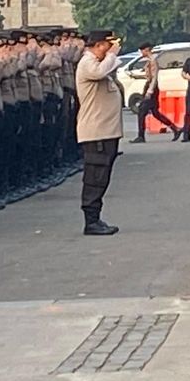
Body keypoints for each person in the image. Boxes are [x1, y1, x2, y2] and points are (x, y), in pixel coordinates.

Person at [75, 30, 124, 237]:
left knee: (102, 176)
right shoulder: (88, 63)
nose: (110, 49)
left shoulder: (100, 64)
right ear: (97, 45)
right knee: (95, 176)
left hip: (105, 131)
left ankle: (96, 217)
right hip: (96, 132)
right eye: (107, 45)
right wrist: (112, 55)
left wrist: (110, 57)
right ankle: (91, 220)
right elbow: (98, 73)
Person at [133, 42, 172, 142]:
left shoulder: (153, 60)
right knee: (155, 113)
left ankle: (141, 136)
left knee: (141, 111)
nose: (141, 53)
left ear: (147, 50)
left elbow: (154, 77)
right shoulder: (149, 60)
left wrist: (150, 91)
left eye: (142, 50)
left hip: (152, 87)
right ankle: (175, 128)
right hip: (149, 85)